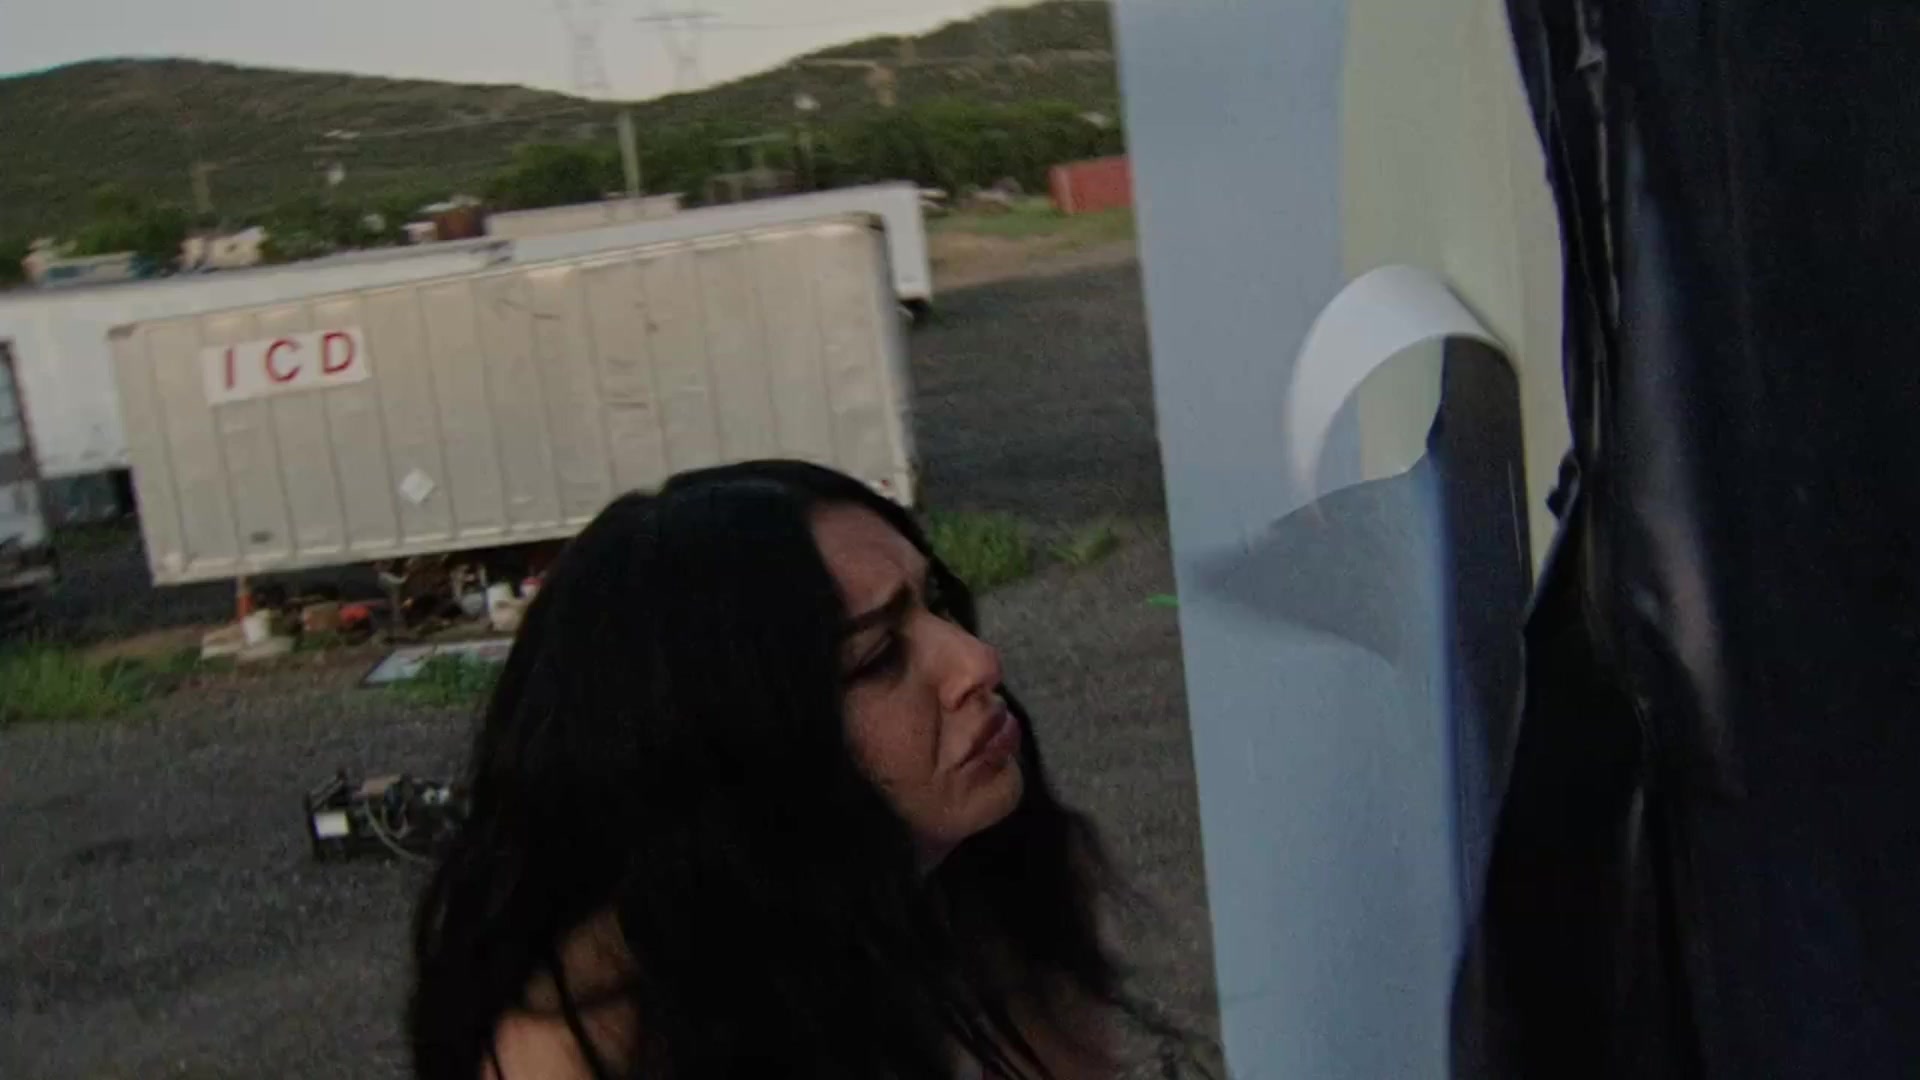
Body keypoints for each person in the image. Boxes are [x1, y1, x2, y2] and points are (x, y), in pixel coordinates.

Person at [409, 460, 1196, 1079]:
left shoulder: (1001, 869)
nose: (976, 662)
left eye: (937, 602)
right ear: (738, 743)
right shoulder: (582, 1035)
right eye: (878, 656)